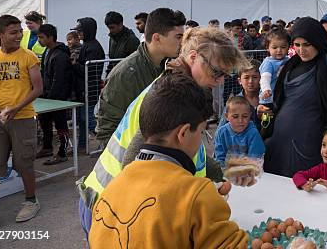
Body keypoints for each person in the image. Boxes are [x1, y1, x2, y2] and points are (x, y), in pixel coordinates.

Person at [78, 27, 250, 238]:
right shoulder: (171, 97)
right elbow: (134, 164)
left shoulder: (181, 89)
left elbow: (191, 153)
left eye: (227, 74)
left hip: (110, 202)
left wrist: (220, 174)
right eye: (216, 72)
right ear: (194, 57)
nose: (221, 80)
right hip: (109, 207)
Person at [88, 73, 248, 248]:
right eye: (201, 131)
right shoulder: (196, 195)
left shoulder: (112, 188)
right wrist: (206, 202)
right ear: (183, 133)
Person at [0, 15, 43, 236]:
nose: (19, 35)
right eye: (13, 32)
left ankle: (31, 201)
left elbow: (37, 89)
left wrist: (15, 109)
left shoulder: (28, 57)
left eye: (20, 31)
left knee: (24, 163)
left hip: (23, 118)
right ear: (0, 35)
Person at [263, 17, 327, 178]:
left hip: (308, 143)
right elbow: (281, 99)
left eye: (307, 44)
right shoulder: (289, 65)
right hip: (279, 140)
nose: (301, 50)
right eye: (297, 45)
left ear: (318, 42)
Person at [95, 8, 186, 147]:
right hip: (133, 159)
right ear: (157, 38)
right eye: (178, 37)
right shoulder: (125, 74)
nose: (182, 42)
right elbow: (107, 130)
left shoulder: (168, 66)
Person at [36, 24, 72, 164]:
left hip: (58, 98)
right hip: (46, 96)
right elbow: (45, 73)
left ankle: (62, 152)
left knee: (61, 124)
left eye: (41, 37)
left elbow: (59, 80)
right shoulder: (47, 51)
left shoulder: (60, 55)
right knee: (44, 122)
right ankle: (47, 147)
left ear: (51, 37)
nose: (39, 40)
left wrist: (51, 98)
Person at [72, 17, 105, 150]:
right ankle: (81, 146)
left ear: (88, 30)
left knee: (87, 119)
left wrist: (74, 65)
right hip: (84, 88)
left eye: (80, 30)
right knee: (82, 119)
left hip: (90, 88)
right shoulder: (87, 44)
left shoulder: (94, 47)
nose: (78, 33)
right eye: (77, 30)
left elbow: (89, 71)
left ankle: (106, 140)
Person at [292, 120, 327, 193]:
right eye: (324, 145)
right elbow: (298, 175)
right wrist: (305, 184)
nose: (325, 151)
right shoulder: (321, 168)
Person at [214, 96, 265, 166]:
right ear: (226, 116)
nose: (240, 120)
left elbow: (254, 160)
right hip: (227, 172)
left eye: (245, 116)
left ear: (250, 116)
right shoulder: (221, 132)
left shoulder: (253, 133)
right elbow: (219, 159)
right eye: (235, 116)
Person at [259, 29, 289, 107]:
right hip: (269, 99)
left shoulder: (288, 60)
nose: (279, 50)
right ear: (268, 48)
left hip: (282, 98)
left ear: (288, 47)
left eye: (283, 47)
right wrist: (266, 90)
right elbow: (265, 78)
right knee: (268, 118)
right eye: (274, 47)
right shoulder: (269, 62)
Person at [104, 11, 140, 76]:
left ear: (120, 25)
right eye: (108, 28)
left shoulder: (132, 40)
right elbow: (111, 61)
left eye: (112, 27)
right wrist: (107, 76)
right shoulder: (112, 37)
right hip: (115, 75)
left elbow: (136, 63)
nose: (110, 30)